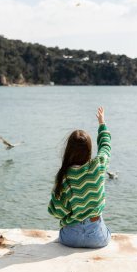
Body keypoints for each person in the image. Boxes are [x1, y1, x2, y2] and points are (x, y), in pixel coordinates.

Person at [48, 106, 111, 248]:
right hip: (97, 236)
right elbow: (106, 146)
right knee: (108, 232)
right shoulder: (98, 166)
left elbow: (56, 211)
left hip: (70, 238)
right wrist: (102, 124)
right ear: (89, 149)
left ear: (68, 150)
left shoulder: (64, 176)